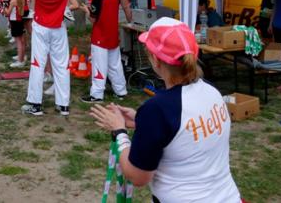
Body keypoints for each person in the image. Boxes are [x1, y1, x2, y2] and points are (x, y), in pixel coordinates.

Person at [89, 17, 241, 202]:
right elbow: (185, 131)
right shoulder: (211, 91)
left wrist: (119, 132)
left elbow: (138, 176)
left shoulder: (157, 110)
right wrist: (141, 121)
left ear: (155, 59)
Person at [20, 0, 75, 117]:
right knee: (61, 65)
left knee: (38, 64)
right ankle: (63, 105)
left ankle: (35, 104)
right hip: (58, 27)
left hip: (41, 26)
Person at [81, 0, 128, 103]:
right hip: (113, 36)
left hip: (100, 36)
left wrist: (86, 10)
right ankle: (121, 91)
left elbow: (93, 19)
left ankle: (97, 94)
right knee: (115, 65)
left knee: (99, 66)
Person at [6, 0, 27, 68]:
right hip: (20, 21)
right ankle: (22, 57)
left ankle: (20, 61)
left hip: (15, 22)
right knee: (22, 41)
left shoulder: (13, 1)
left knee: (18, 42)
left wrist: (3, 8)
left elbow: (8, 13)